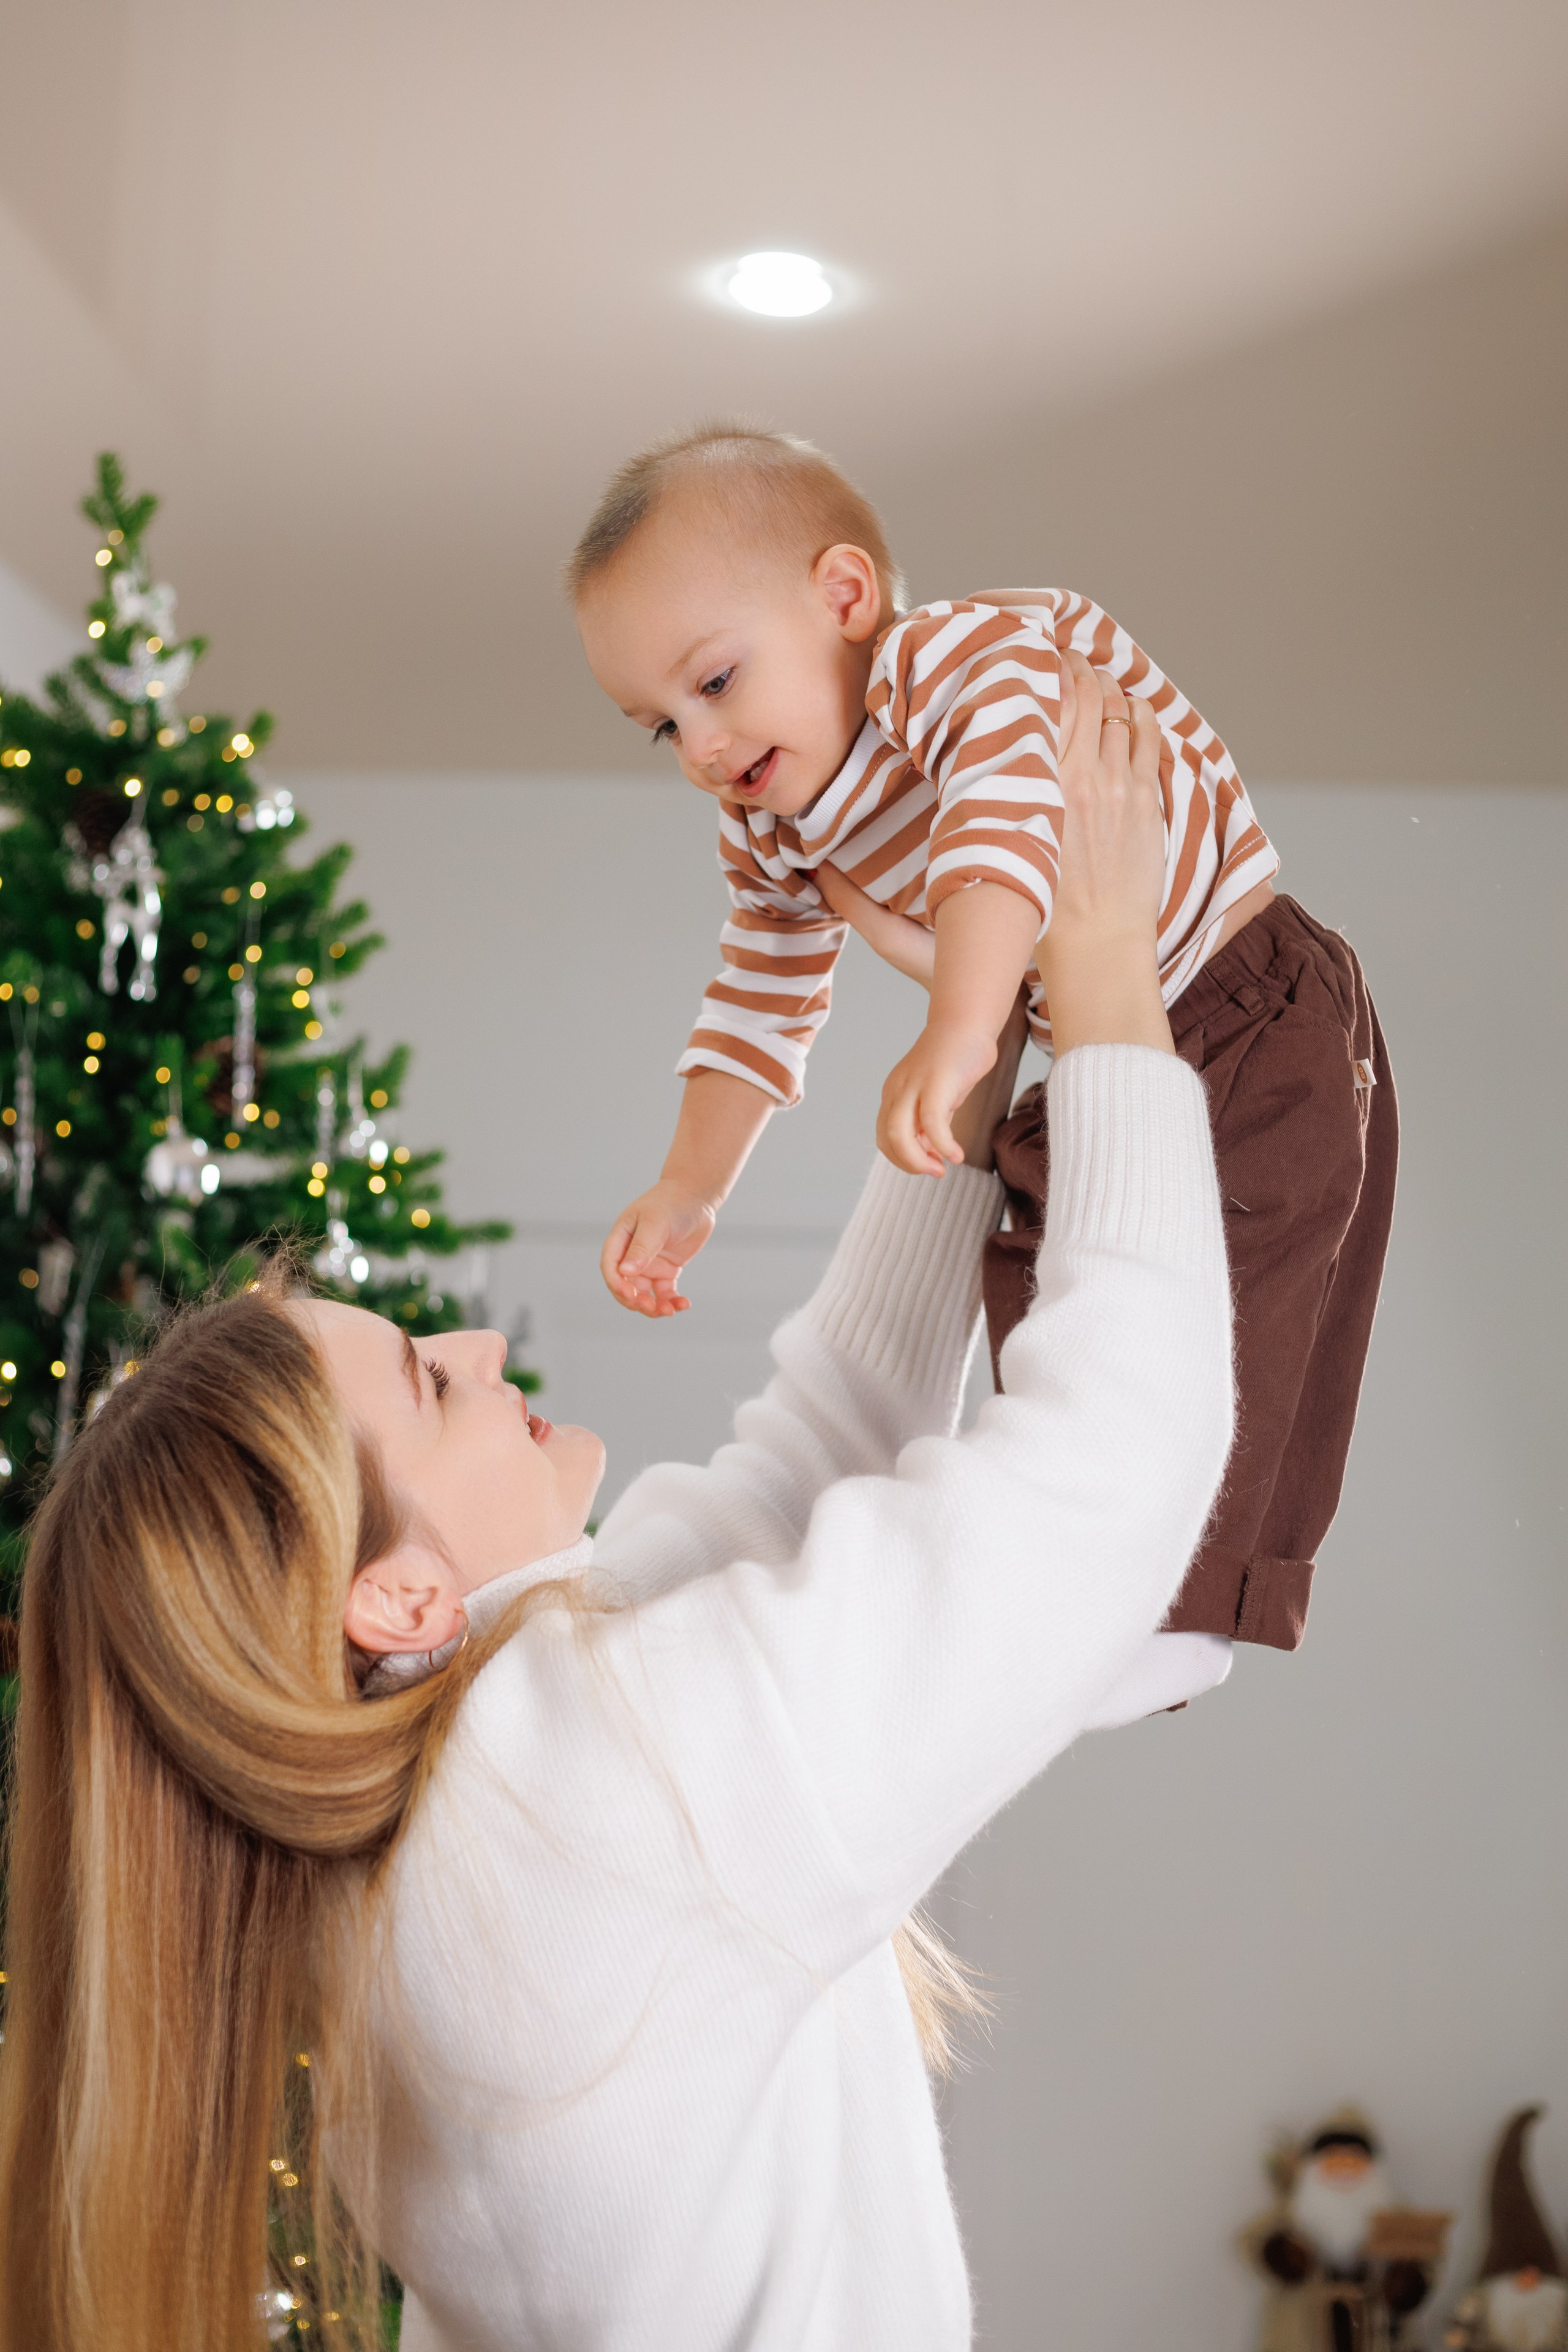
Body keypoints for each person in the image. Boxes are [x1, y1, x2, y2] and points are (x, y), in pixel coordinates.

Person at [0, 677, 1234, 2352]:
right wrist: (1104, 993)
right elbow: (1110, 1469)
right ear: (396, 1600)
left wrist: (979, 1025)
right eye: (427, 1381)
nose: (477, 1345)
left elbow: (819, 1448)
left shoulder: (472, 1792)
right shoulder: (578, 1795)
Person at [572, 422, 1397, 1656]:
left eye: (715, 684)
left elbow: (1005, 828)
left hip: (1247, 1006)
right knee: (1036, 1277)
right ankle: (1102, 1586)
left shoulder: (958, 660)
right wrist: (689, 1184)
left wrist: (959, 1028)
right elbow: (755, 994)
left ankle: (1190, 1606)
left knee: (1257, 1297)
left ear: (844, 598)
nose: (698, 749)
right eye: (661, 727)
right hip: (1109, 1051)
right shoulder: (773, 829)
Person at [1244, 2108, 1445, 2352]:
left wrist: (1407, 2281)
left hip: (1381, 2336)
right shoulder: (1293, 2216)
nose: (1344, 2170)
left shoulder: (1396, 2216)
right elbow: (1253, 2243)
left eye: (1354, 2162)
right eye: (1334, 2161)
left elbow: (1428, 2262)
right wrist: (1282, 2254)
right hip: (1303, 2334)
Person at [1446, 2108, 1568, 2351]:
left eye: (1535, 2273)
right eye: (1525, 2272)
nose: (1529, 2276)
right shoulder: (1489, 2294)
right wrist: (1459, 2334)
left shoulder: (1556, 2297)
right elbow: (1460, 2326)